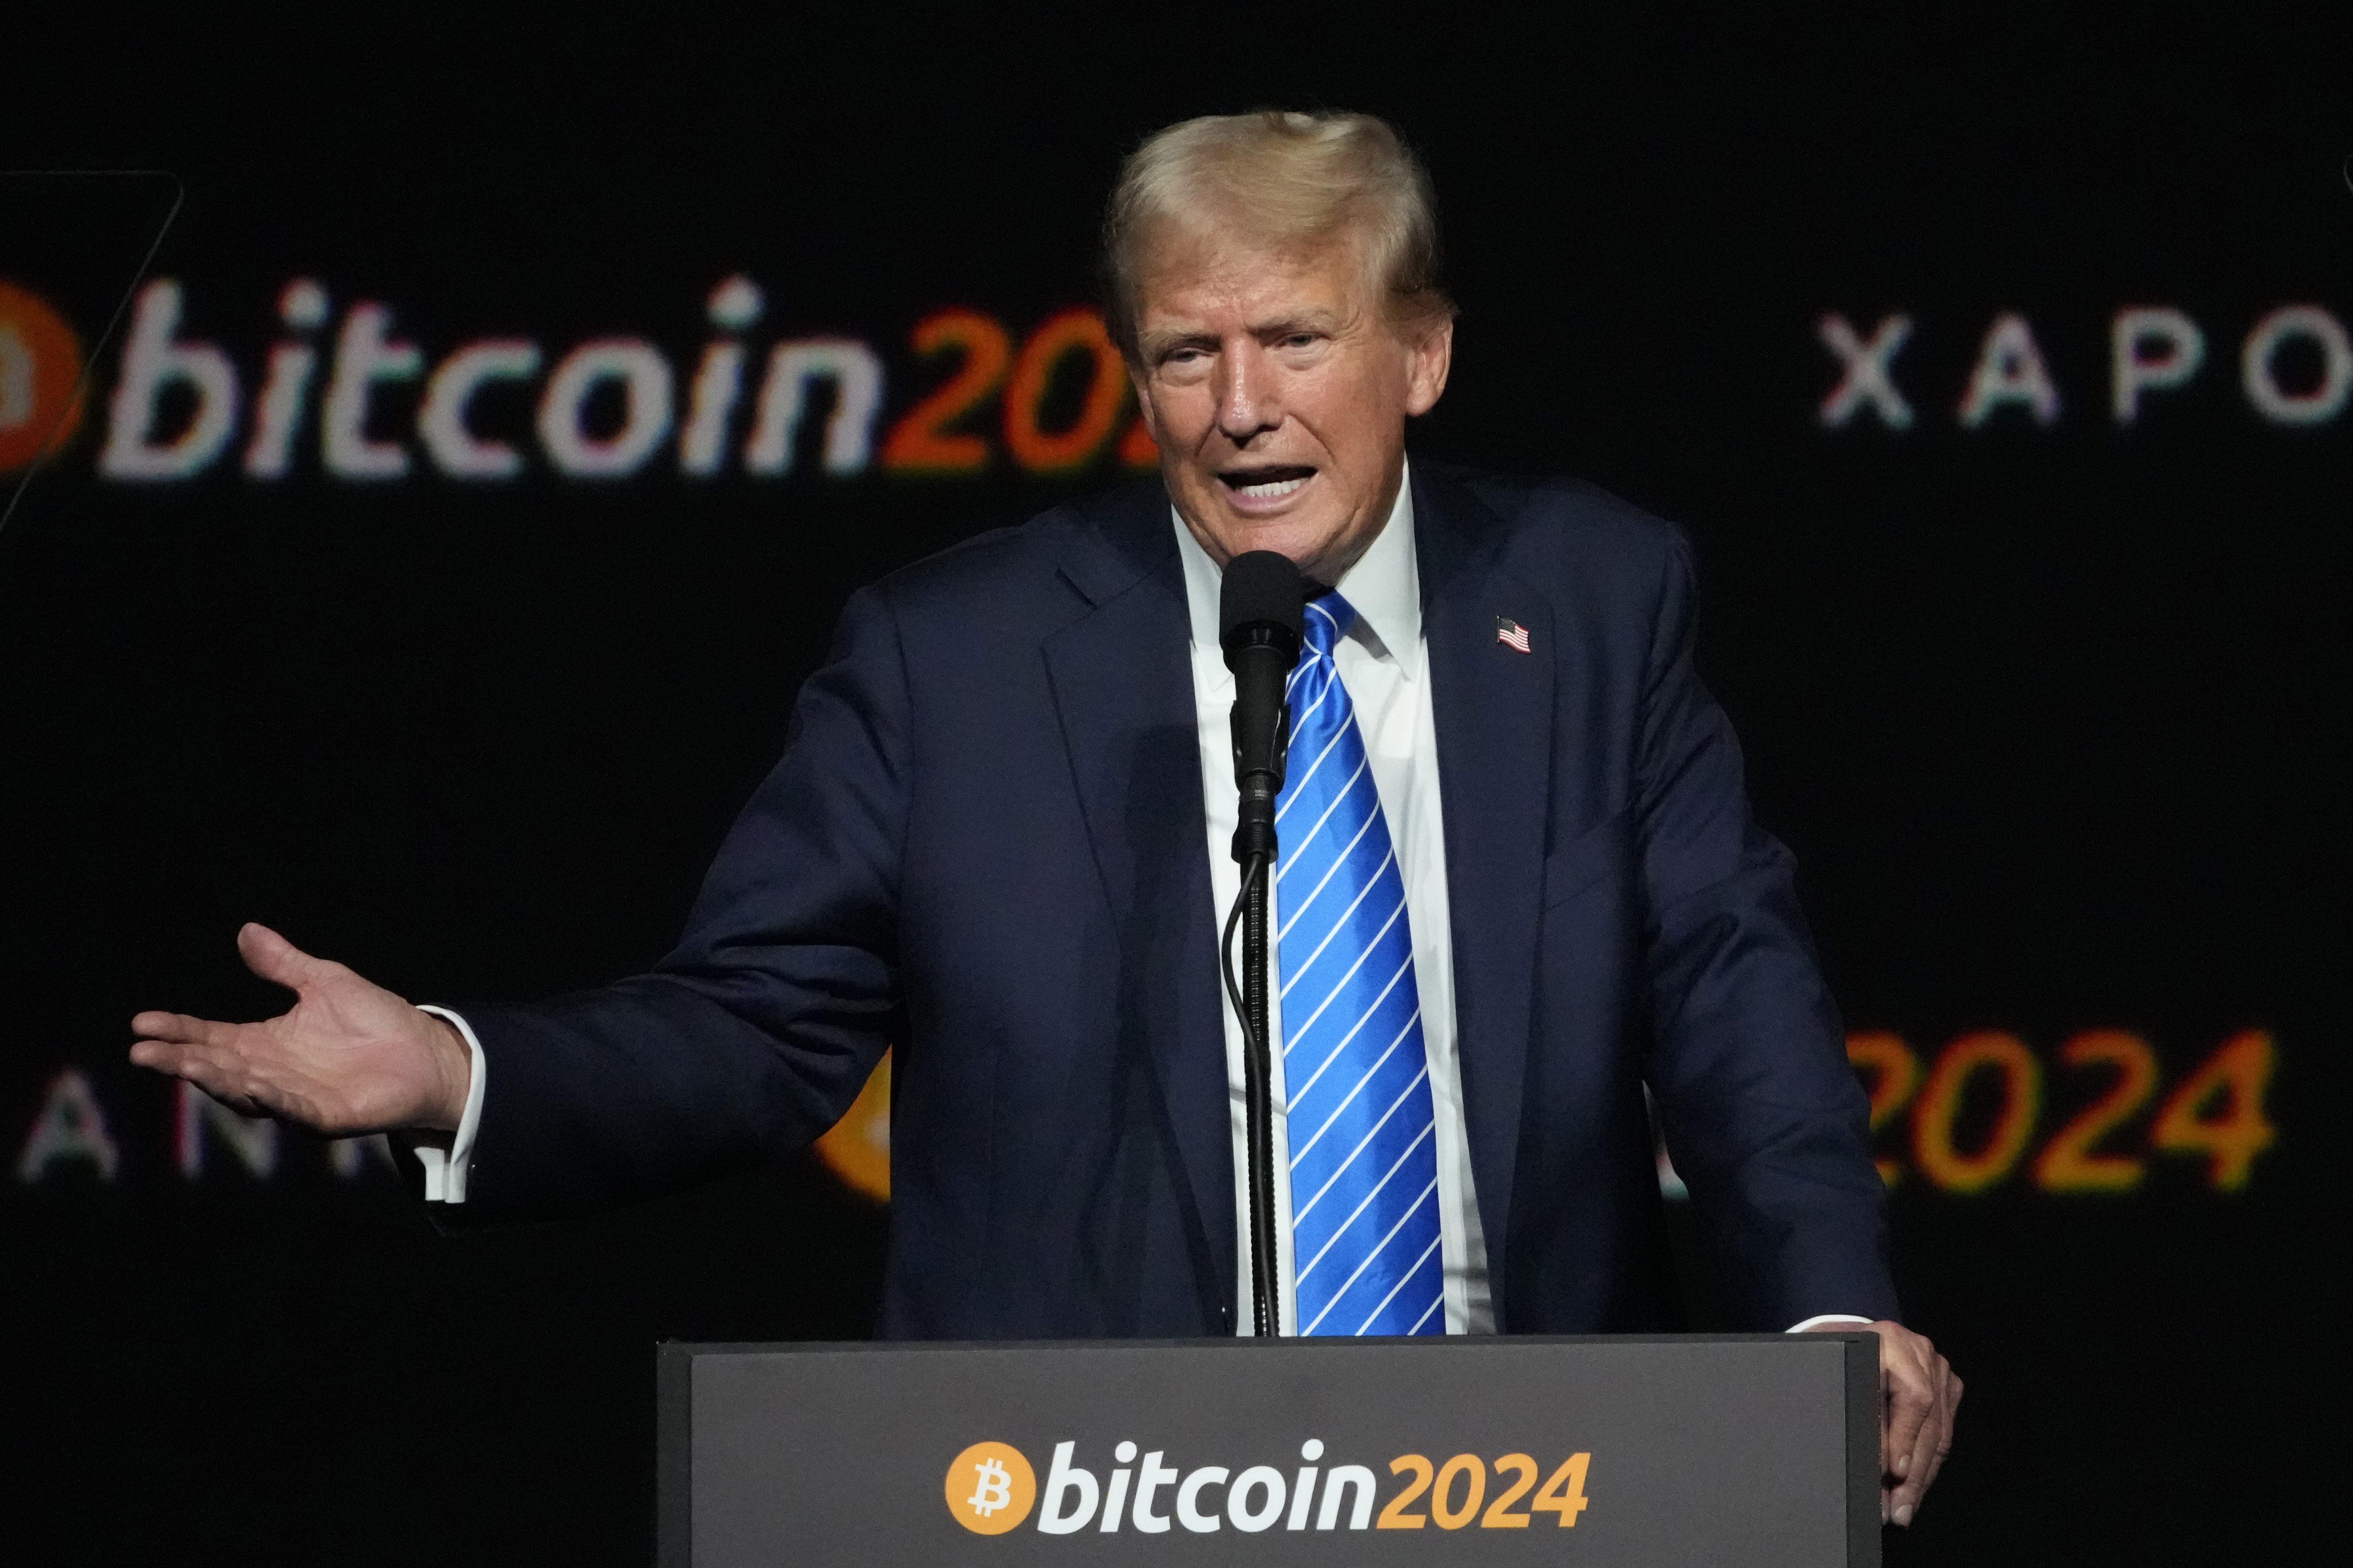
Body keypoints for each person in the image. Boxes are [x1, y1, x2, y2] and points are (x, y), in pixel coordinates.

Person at [130, 110, 1958, 1523]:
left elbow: (1731, 992)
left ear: (1422, 355)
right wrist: (461, 1074)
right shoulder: (956, 658)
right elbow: (760, 1028)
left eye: (1294, 340)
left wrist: (1826, 1323)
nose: (1237, 409)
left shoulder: (1589, 598)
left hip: (1527, 1487)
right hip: (1075, 1498)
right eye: (1184, 353)